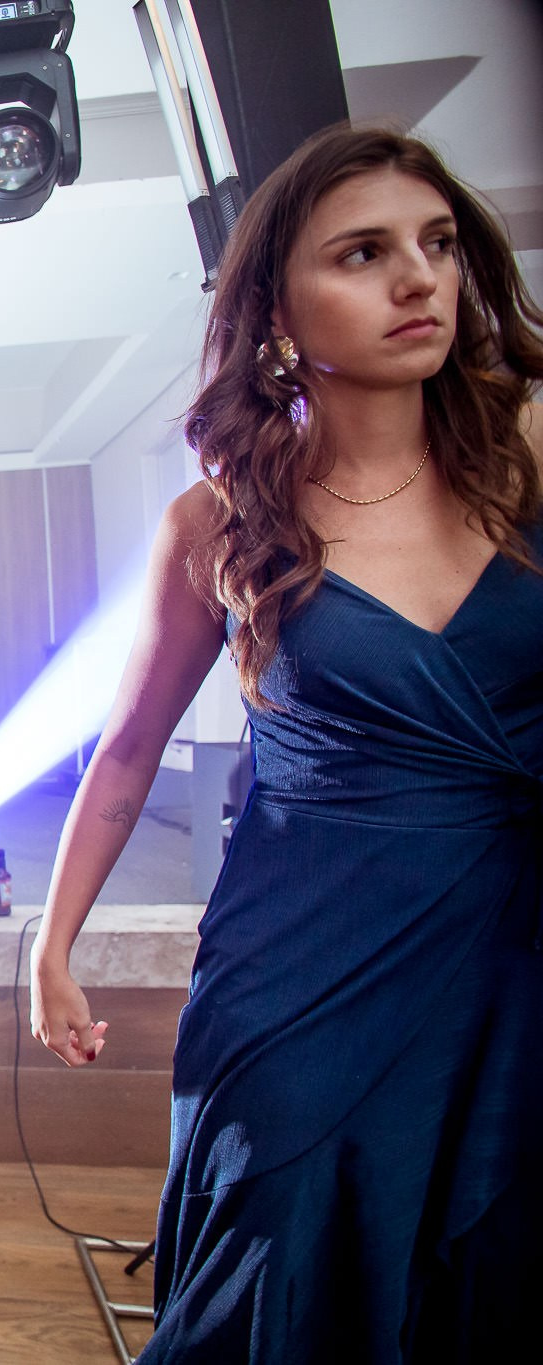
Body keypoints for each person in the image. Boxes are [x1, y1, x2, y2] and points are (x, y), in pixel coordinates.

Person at [30, 125, 542, 1361]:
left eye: (435, 246)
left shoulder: (528, 464)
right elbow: (126, 753)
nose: (416, 280)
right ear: (274, 311)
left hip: (509, 964)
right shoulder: (215, 522)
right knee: (280, 1272)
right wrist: (47, 948)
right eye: (362, 254)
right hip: (300, 976)